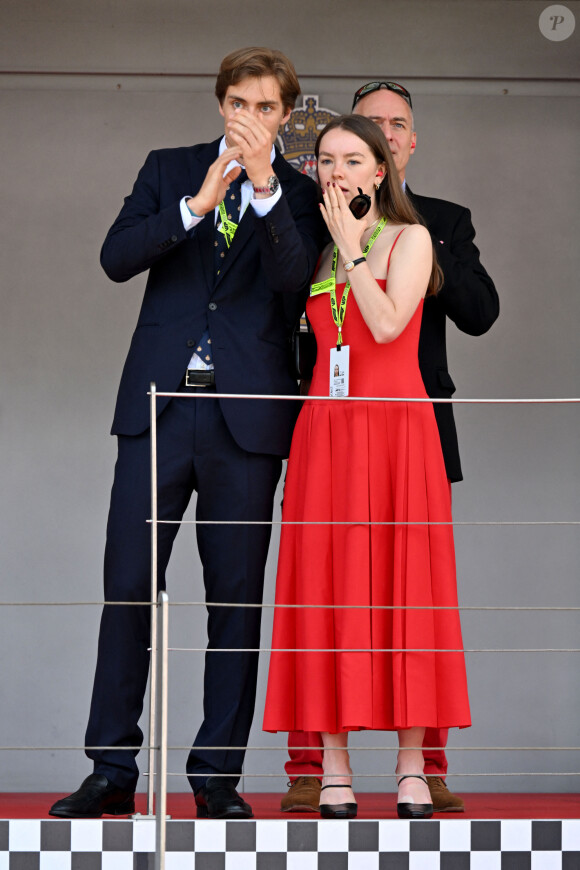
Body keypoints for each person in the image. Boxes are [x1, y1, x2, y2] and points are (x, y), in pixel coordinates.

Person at [49, 46, 325, 821]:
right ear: (220, 105)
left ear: (285, 116)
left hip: (248, 419)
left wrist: (265, 190)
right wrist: (198, 206)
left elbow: (295, 285)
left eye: (267, 107)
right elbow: (115, 257)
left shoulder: (301, 195)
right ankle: (110, 766)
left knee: (235, 601)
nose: (250, 119)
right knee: (129, 587)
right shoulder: (169, 169)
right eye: (240, 103)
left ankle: (215, 777)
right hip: (157, 409)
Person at [282, 81, 498, 816]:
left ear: (383, 169)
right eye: (326, 160)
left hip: (398, 427)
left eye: (353, 158)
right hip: (325, 431)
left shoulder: (412, 238)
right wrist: (332, 247)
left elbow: (382, 326)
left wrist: (349, 247)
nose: (338, 171)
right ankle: (333, 763)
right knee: (327, 588)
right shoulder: (311, 251)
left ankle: (412, 765)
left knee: (408, 588)